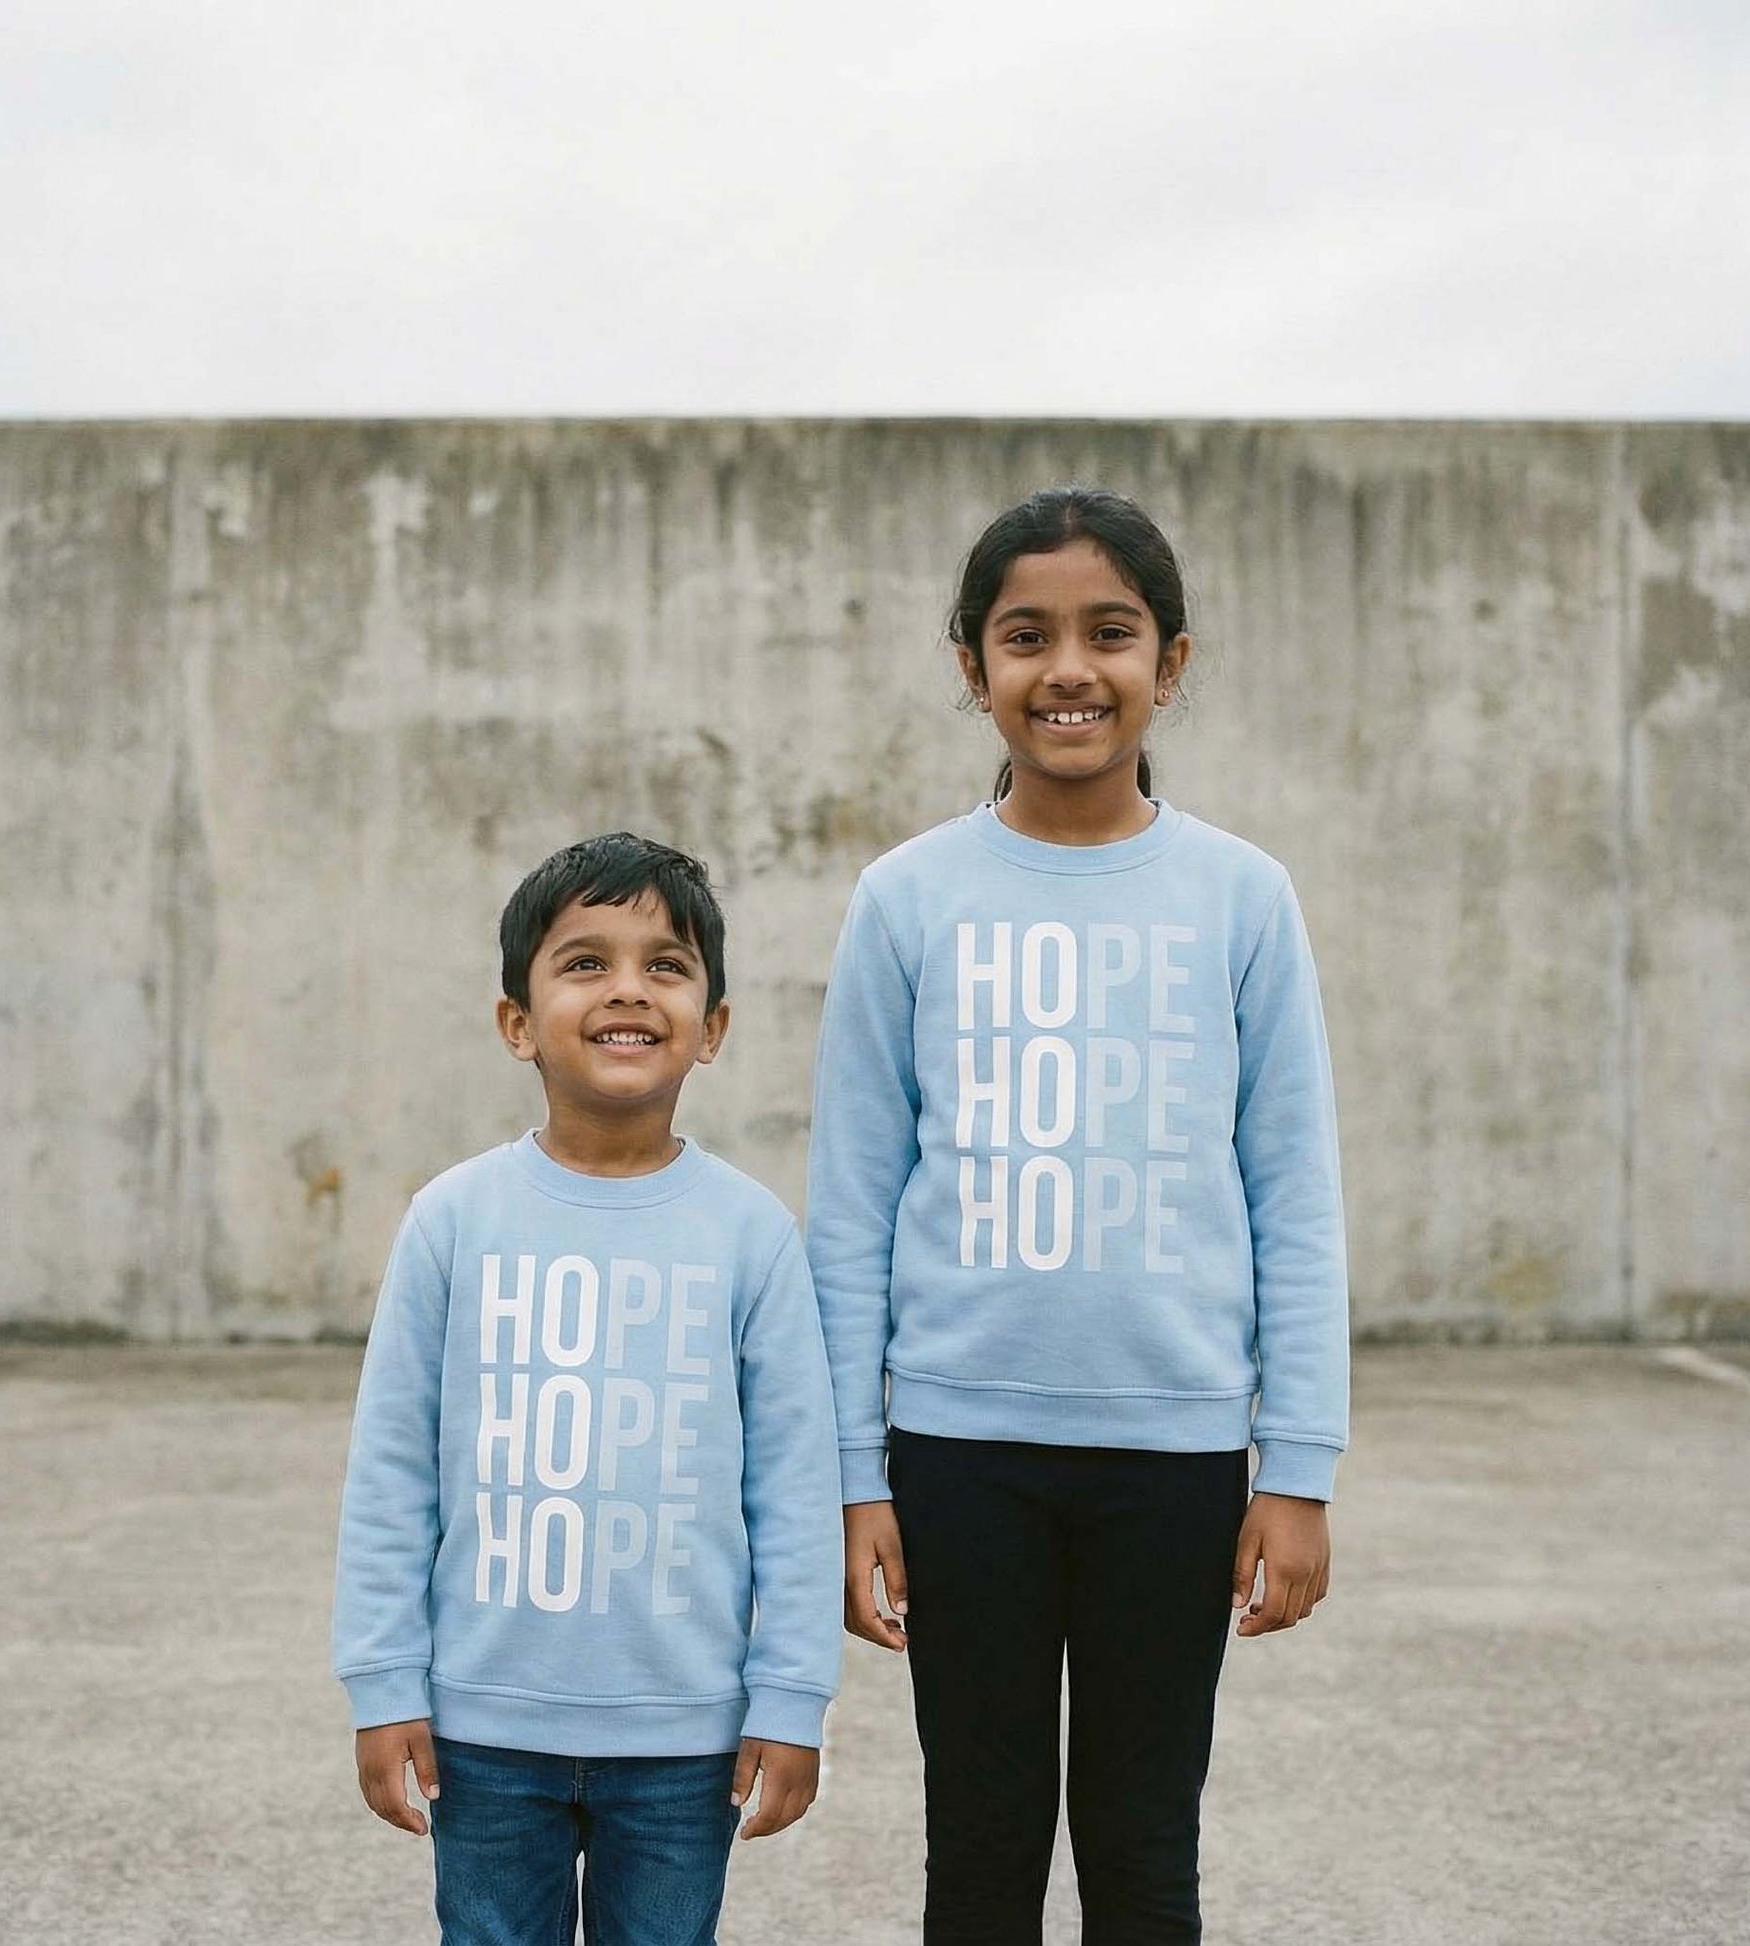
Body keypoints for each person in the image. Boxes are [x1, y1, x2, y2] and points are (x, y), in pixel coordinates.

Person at [805, 486, 1349, 1945]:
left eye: (1109, 633)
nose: (1067, 670)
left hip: (1173, 1455)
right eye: (1024, 635)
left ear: (1169, 662)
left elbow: (1293, 1196)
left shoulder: (1239, 897)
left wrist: (1297, 1467)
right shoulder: (906, 899)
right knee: (979, 1854)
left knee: (1141, 1849)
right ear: (969, 664)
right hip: (955, 1456)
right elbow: (849, 1209)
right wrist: (853, 1474)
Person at [333, 832, 842, 1946]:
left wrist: (791, 1697)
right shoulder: (452, 1220)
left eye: (666, 965)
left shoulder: (750, 1233)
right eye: (583, 962)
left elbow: (796, 1492)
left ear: (712, 1026)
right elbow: (391, 1471)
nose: (627, 988)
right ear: (516, 1021)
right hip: (482, 1728)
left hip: (683, 1738)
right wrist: (384, 1681)